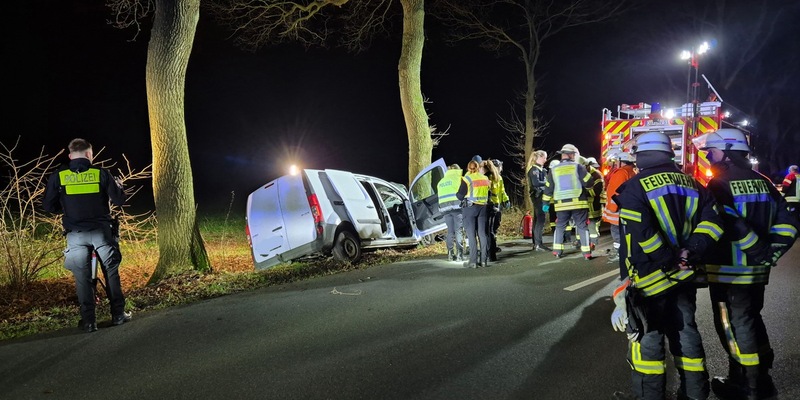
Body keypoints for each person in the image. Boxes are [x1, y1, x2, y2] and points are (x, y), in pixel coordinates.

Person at [610, 131, 723, 400]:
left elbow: (639, 234)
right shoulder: (695, 185)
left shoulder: (634, 187)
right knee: (685, 331)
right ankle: (695, 393)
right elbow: (714, 224)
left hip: (650, 279)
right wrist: (689, 253)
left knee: (647, 339)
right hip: (685, 275)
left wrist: (665, 261)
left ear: (641, 156)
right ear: (668, 155)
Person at [695, 129, 799, 400]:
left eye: (711, 151)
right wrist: (773, 251)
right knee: (752, 319)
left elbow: (729, 222)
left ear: (727, 152)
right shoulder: (763, 182)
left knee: (732, 328)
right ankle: (761, 377)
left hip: (730, 271)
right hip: (757, 271)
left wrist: (757, 249)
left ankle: (745, 385)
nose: (708, 157)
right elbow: (789, 223)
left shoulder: (719, 183)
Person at [43, 138, 131, 333]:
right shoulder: (101, 174)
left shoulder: (59, 176)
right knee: (111, 272)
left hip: (75, 234)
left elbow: (48, 206)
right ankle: (118, 315)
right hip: (102, 233)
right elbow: (118, 201)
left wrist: (66, 210)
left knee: (82, 278)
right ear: (90, 154)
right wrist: (120, 186)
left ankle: (89, 321)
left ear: (70, 155)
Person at [542, 144, 594, 260]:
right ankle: (586, 253)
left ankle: (557, 251)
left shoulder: (554, 170)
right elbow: (589, 183)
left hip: (560, 204)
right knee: (582, 226)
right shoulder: (578, 167)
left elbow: (548, 188)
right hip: (578, 203)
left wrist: (545, 203)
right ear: (571, 155)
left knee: (560, 226)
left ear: (562, 155)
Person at [602, 151, 637, 263]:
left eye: (617, 161)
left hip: (618, 208)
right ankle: (625, 250)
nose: (616, 162)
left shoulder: (621, 173)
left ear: (622, 161)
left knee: (616, 230)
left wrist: (613, 207)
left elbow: (615, 192)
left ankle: (619, 252)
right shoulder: (632, 172)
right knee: (625, 230)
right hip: (627, 206)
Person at [456, 159, 490, 268]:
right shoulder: (485, 178)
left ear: (468, 168)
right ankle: (484, 261)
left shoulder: (467, 179)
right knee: (482, 234)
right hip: (483, 208)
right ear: (478, 168)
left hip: (470, 208)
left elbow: (460, 195)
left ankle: (473, 261)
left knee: (471, 235)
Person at [436, 163, 465, 262]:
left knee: (450, 232)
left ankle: (450, 254)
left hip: (445, 210)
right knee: (458, 231)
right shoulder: (459, 179)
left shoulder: (441, 182)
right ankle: (459, 254)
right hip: (457, 208)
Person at [486, 159, 510, 261]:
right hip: (491, 205)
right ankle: (491, 250)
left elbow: (502, 191)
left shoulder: (499, 178)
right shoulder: (489, 177)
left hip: (497, 205)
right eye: (500, 166)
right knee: (490, 229)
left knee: (494, 227)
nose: (501, 168)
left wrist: (506, 200)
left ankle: (493, 247)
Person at [527, 150, 550, 251]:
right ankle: (538, 244)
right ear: (539, 157)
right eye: (544, 157)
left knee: (537, 219)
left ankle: (536, 243)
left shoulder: (541, 170)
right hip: (538, 197)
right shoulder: (534, 170)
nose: (546, 159)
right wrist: (547, 182)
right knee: (541, 219)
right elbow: (536, 183)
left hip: (540, 196)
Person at [583, 156, 605, 251]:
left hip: (594, 204)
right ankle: (583, 241)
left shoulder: (596, 176)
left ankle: (593, 242)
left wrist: (582, 191)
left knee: (592, 224)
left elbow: (595, 192)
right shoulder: (584, 173)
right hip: (584, 204)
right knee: (582, 224)